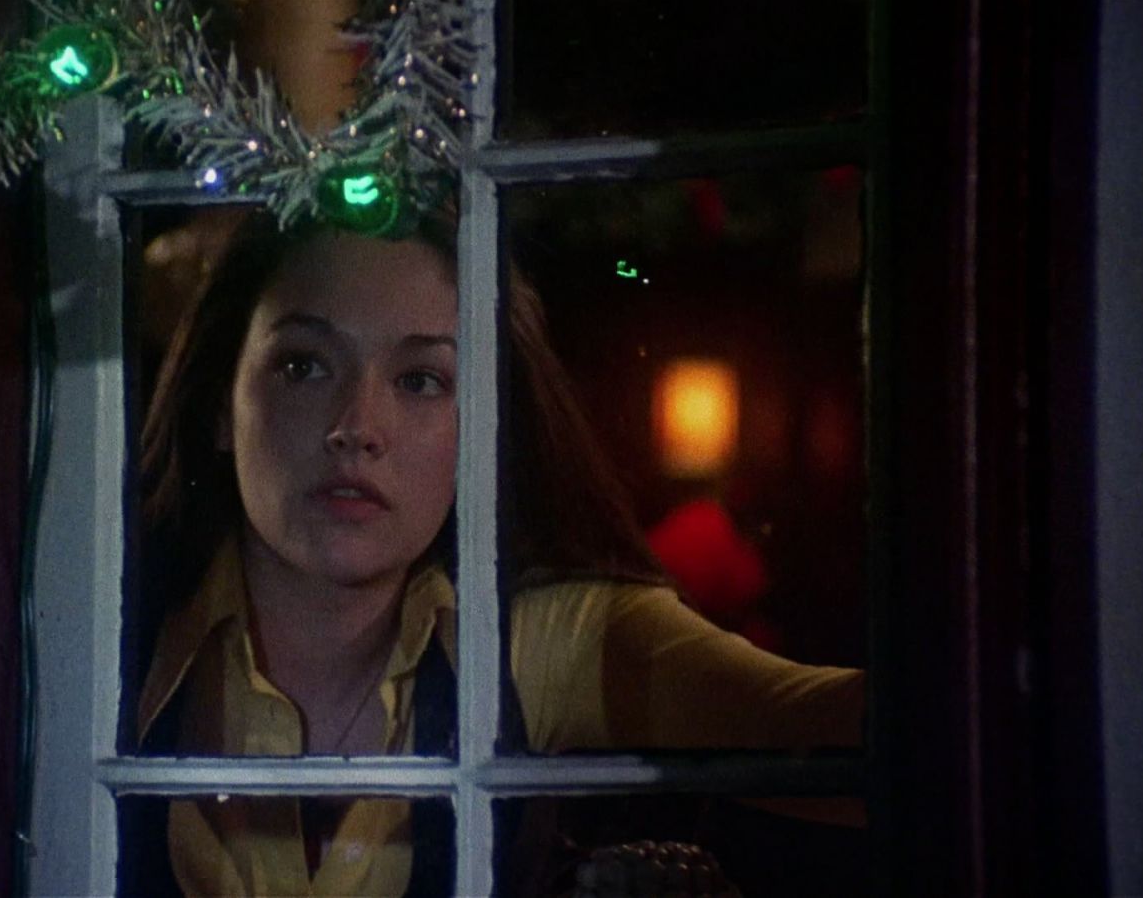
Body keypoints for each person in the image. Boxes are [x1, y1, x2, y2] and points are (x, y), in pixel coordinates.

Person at [131, 210, 864, 897]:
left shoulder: (533, 645)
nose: (357, 427)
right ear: (221, 404)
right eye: (303, 366)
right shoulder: (117, 636)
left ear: (481, 426)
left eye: (420, 380)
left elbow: (845, 731)